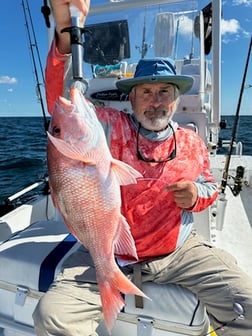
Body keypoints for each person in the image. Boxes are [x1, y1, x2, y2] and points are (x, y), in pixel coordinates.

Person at [33, 0, 252, 335]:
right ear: (131, 99)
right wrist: (65, 31)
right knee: (50, 316)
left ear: (176, 100)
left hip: (178, 250)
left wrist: (195, 195)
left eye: (164, 92)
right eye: (145, 92)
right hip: (105, 249)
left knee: (247, 302)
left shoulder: (192, 142)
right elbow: (60, 98)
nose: (156, 100)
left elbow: (210, 186)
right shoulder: (106, 127)